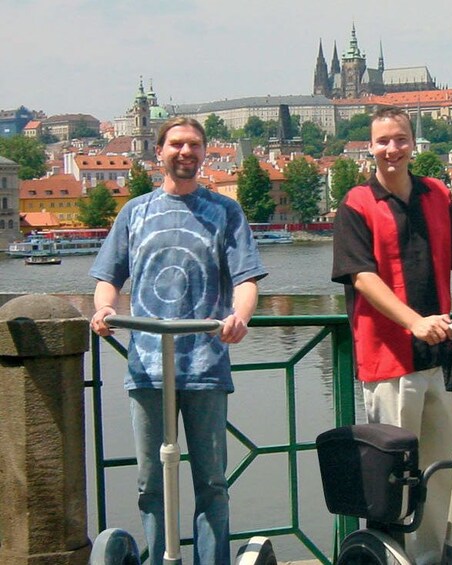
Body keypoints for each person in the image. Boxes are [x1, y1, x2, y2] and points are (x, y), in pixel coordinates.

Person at [330, 106, 452, 563]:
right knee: (395, 475)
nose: (391, 149)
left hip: (442, 356)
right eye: (383, 141)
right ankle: (396, 553)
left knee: (445, 468)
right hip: (388, 359)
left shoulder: (436, 194)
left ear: (413, 144)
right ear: (369, 147)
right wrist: (413, 320)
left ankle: (436, 555)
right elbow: (362, 278)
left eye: (400, 139)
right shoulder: (357, 203)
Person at [90, 117, 267, 565]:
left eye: (194, 145)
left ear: (205, 153)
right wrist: (105, 309)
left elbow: (247, 278)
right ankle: (157, 558)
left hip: (205, 365)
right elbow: (108, 278)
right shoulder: (135, 212)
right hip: (147, 367)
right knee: (151, 482)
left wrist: (240, 317)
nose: (185, 152)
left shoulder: (225, 212)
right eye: (176, 144)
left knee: (212, 483)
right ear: (159, 153)